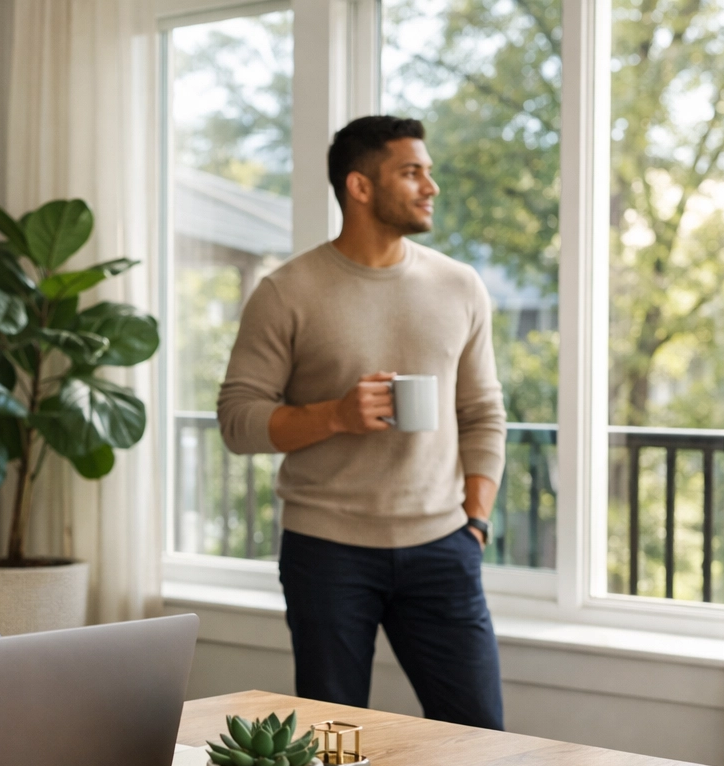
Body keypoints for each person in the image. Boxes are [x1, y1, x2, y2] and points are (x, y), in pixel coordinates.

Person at [216, 115, 507, 729]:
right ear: (360, 186)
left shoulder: (460, 285)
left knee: (482, 734)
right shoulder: (287, 291)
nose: (431, 186)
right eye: (411, 172)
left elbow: (482, 413)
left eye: (428, 172)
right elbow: (238, 421)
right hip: (327, 554)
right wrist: (335, 415)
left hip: (443, 548)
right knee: (333, 744)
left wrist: (474, 520)